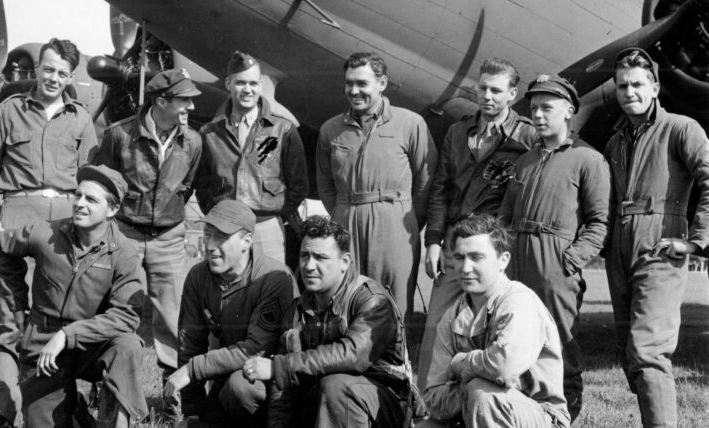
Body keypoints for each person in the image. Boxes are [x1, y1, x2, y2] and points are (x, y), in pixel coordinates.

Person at [0, 38, 99, 427]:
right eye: (48, 69)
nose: (53, 78)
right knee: (10, 320)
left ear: (71, 76)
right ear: (37, 69)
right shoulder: (9, 111)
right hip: (14, 219)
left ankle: (66, 404)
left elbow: (92, 178)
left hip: (63, 228)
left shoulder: (81, 119)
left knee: (60, 319)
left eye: (62, 73)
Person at [0, 165, 148, 427]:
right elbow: (3, 246)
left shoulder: (124, 253)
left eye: (91, 199)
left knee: (128, 345)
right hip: (43, 348)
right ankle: (75, 410)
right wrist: (16, 309)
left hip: (91, 345)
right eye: (78, 196)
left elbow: (126, 316)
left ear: (112, 210)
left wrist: (68, 334)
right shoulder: (45, 233)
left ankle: (112, 423)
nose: (79, 204)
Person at [603, 47, 709, 427]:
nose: (629, 91)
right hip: (620, 248)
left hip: (661, 246)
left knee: (648, 351)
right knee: (629, 352)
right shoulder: (615, 142)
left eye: (636, 84)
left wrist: (695, 241)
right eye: (621, 85)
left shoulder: (681, 128)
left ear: (655, 86)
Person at [418, 57, 536, 390]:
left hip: (496, 245)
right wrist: (434, 241)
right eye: (482, 88)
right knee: (436, 325)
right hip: (456, 243)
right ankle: (430, 404)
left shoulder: (527, 134)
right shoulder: (457, 132)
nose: (487, 96)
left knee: (495, 327)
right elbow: (440, 188)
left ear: (512, 94)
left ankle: (491, 405)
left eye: (496, 90)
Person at [92, 68, 202, 419]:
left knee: (172, 322)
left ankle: (173, 405)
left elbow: (188, 186)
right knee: (117, 312)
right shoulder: (119, 135)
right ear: (161, 101)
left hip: (169, 238)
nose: (189, 106)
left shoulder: (193, 141)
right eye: (183, 99)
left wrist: (168, 216)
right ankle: (108, 397)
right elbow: (103, 184)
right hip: (124, 234)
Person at [498, 74, 610, 420]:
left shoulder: (588, 160)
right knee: (516, 337)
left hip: (555, 264)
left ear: (569, 112)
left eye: (547, 108)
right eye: (533, 109)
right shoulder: (524, 162)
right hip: (517, 260)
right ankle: (525, 413)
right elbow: (504, 215)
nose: (538, 115)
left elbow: (599, 222)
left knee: (559, 342)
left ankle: (565, 414)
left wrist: (569, 261)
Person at [243, 215, 410, 427]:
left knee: (335, 386)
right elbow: (283, 388)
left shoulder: (371, 300)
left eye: (320, 257)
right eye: (304, 256)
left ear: (345, 262)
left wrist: (281, 367)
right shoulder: (297, 311)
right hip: (325, 405)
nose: (309, 266)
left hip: (382, 404)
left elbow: (353, 354)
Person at [315, 51, 437, 322]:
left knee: (393, 298)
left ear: (382, 83)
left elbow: (426, 180)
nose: (354, 91)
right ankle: (345, 360)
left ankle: (395, 361)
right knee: (345, 293)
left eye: (362, 84)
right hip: (346, 218)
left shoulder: (410, 123)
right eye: (349, 83)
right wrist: (342, 212)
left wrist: (408, 220)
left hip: (394, 222)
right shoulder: (330, 129)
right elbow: (325, 182)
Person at [420, 214, 570, 428]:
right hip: (471, 410)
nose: (465, 268)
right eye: (460, 257)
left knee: (482, 396)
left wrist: (461, 364)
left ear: (503, 260)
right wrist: (470, 385)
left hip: (540, 415)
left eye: (476, 257)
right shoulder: (452, 315)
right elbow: (433, 398)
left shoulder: (518, 301)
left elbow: (503, 368)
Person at [162, 200, 298, 427]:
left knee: (239, 387)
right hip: (227, 377)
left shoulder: (274, 278)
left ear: (247, 241)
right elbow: (190, 343)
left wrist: (193, 369)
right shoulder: (198, 277)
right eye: (208, 235)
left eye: (221, 237)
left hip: (274, 385)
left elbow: (255, 348)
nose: (210, 245)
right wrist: (192, 411)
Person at [195, 51, 308, 264]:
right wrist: (218, 213)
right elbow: (201, 183)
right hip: (224, 227)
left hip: (266, 227)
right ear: (228, 83)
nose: (248, 90)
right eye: (241, 83)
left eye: (254, 84)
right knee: (227, 287)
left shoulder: (283, 129)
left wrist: (276, 215)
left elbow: (298, 185)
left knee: (270, 287)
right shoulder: (209, 132)